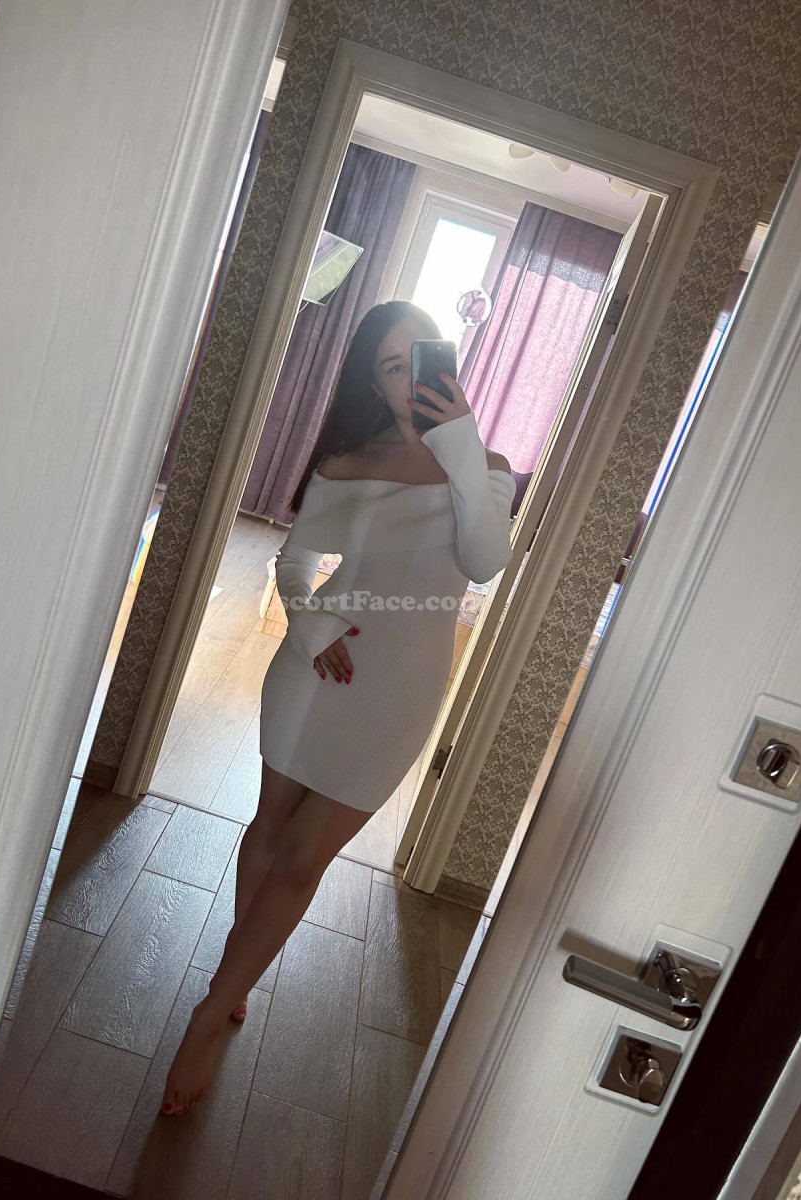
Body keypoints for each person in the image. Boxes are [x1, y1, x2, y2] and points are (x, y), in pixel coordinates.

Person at [161, 300, 514, 1115]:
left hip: (399, 686)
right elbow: (294, 562)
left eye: (419, 355)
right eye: (390, 364)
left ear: (445, 358)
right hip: (316, 667)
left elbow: (484, 561)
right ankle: (232, 983)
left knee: (302, 859)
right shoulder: (347, 461)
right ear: (372, 381)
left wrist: (460, 441)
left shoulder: (484, 463)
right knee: (269, 827)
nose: (407, 375)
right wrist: (313, 627)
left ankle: (209, 1011)